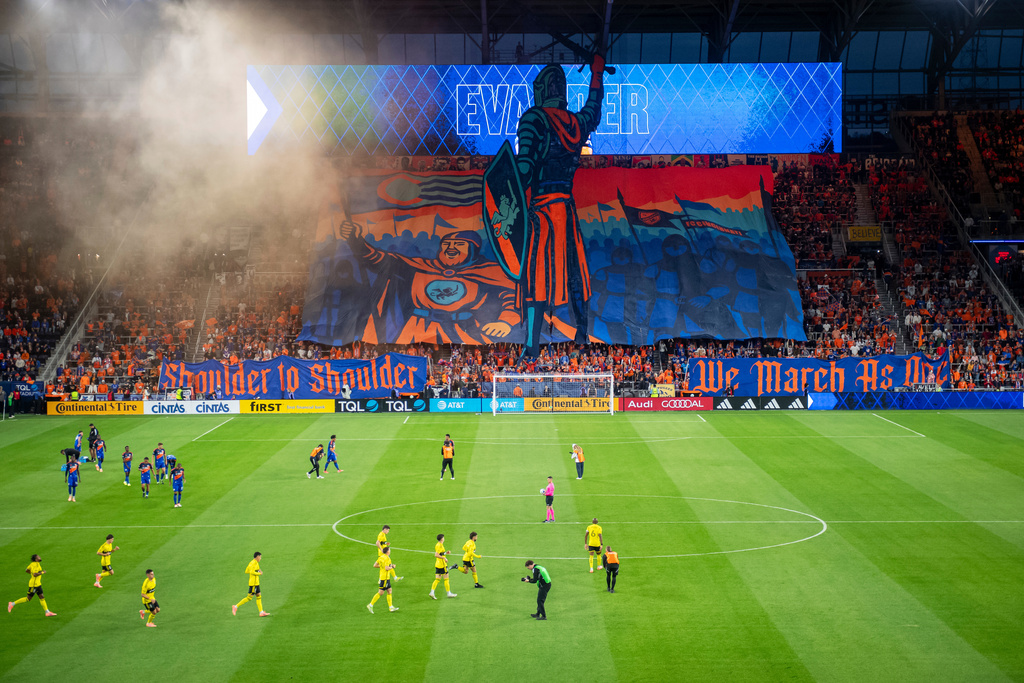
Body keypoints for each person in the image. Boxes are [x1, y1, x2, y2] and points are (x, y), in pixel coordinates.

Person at [232, 551, 270, 617]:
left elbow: (247, 570)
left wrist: (259, 570)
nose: (260, 558)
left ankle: (261, 612)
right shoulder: (252, 563)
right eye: (260, 557)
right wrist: (259, 573)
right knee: (249, 598)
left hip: (256, 583)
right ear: (257, 556)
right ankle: (235, 606)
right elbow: (251, 572)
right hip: (253, 584)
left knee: (258, 596)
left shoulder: (256, 563)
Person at [367, 546, 399, 614]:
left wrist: (382, 567)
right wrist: (392, 566)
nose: (390, 551)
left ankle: (391, 607)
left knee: (389, 590)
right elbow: (387, 568)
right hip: (385, 578)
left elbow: (375, 565)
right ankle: (370, 605)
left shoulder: (380, 557)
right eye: (389, 550)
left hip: (383, 577)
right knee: (381, 593)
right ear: (387, 551)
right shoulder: (387, 558)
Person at [428, 533, 457, 599]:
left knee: (437, 579)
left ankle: (432, 592)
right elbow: (436, 555)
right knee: (446, 579)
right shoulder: (440, 545)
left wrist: (446, 553)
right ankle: (449, 593)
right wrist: (444, 558)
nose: (444, 538)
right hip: (442, 565)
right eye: (443, 537)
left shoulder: (438, 544)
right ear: (441, 539)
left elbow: (440, 553)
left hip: (438, 564)